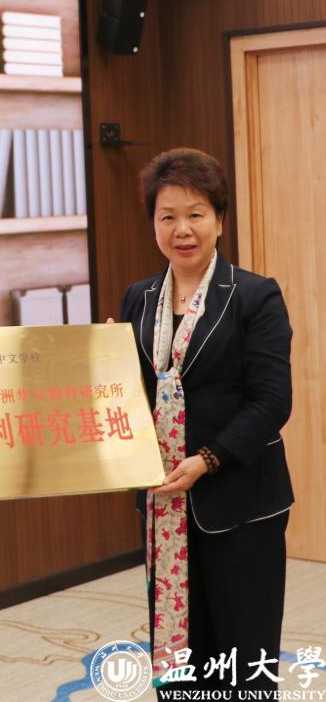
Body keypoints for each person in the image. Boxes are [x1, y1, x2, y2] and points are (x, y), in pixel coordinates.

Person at [119, 148, 294, 697]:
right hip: (164, 504)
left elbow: (272, 401)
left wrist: (207, 459)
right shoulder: (139, 299)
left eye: (195, 214)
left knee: (242, 659)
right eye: (167, 216)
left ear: (219, 218)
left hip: (240, 501)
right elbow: (130, 396)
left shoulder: (254, 296)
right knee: (180, 659)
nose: (182, 230)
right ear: (153, 224)